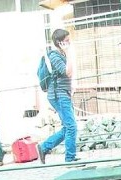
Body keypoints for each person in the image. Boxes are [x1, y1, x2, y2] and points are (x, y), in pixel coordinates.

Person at [37, 28, 78, 164]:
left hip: (63, 93)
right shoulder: (54, 55)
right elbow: (68, 72)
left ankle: (44, 147)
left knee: (68, 127)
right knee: (71, 126)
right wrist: (68, 53)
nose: (69, 43)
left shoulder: (62, 54)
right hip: (58, 95)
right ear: (59, 42)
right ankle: (69, 157)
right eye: (66, 41)